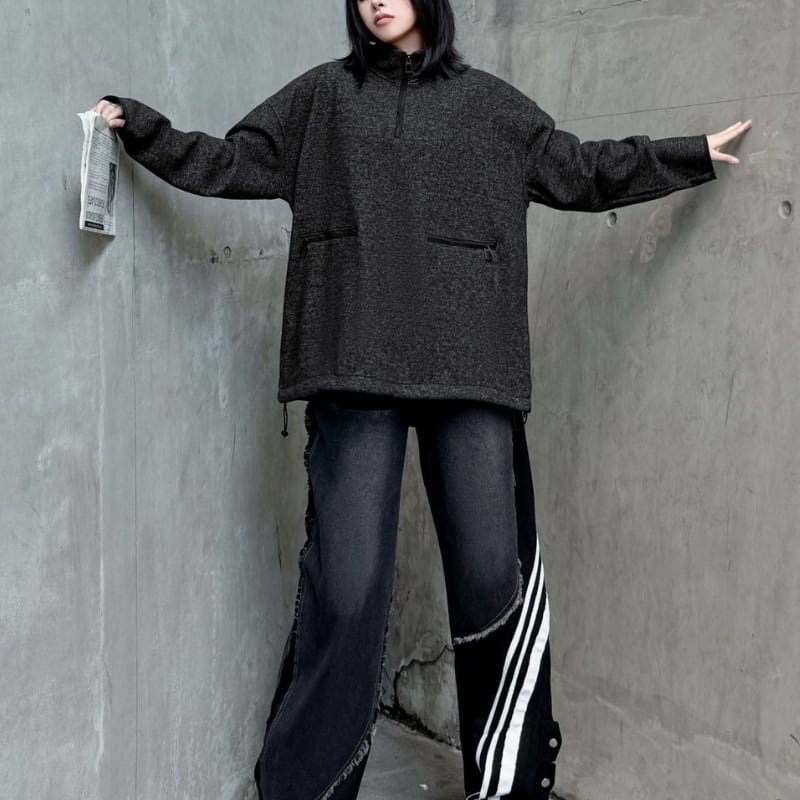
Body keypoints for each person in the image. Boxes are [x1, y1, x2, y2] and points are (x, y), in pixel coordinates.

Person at [92, 1, 751, 798]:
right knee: (346, 584)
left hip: (470, 370)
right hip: (352, 365)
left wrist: (691, 154)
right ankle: (305, 786)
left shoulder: (491, 106)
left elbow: (581, 169)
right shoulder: (323, 98)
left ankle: (509, 785)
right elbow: (232, 162)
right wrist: (144, 129)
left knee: (491, 576)